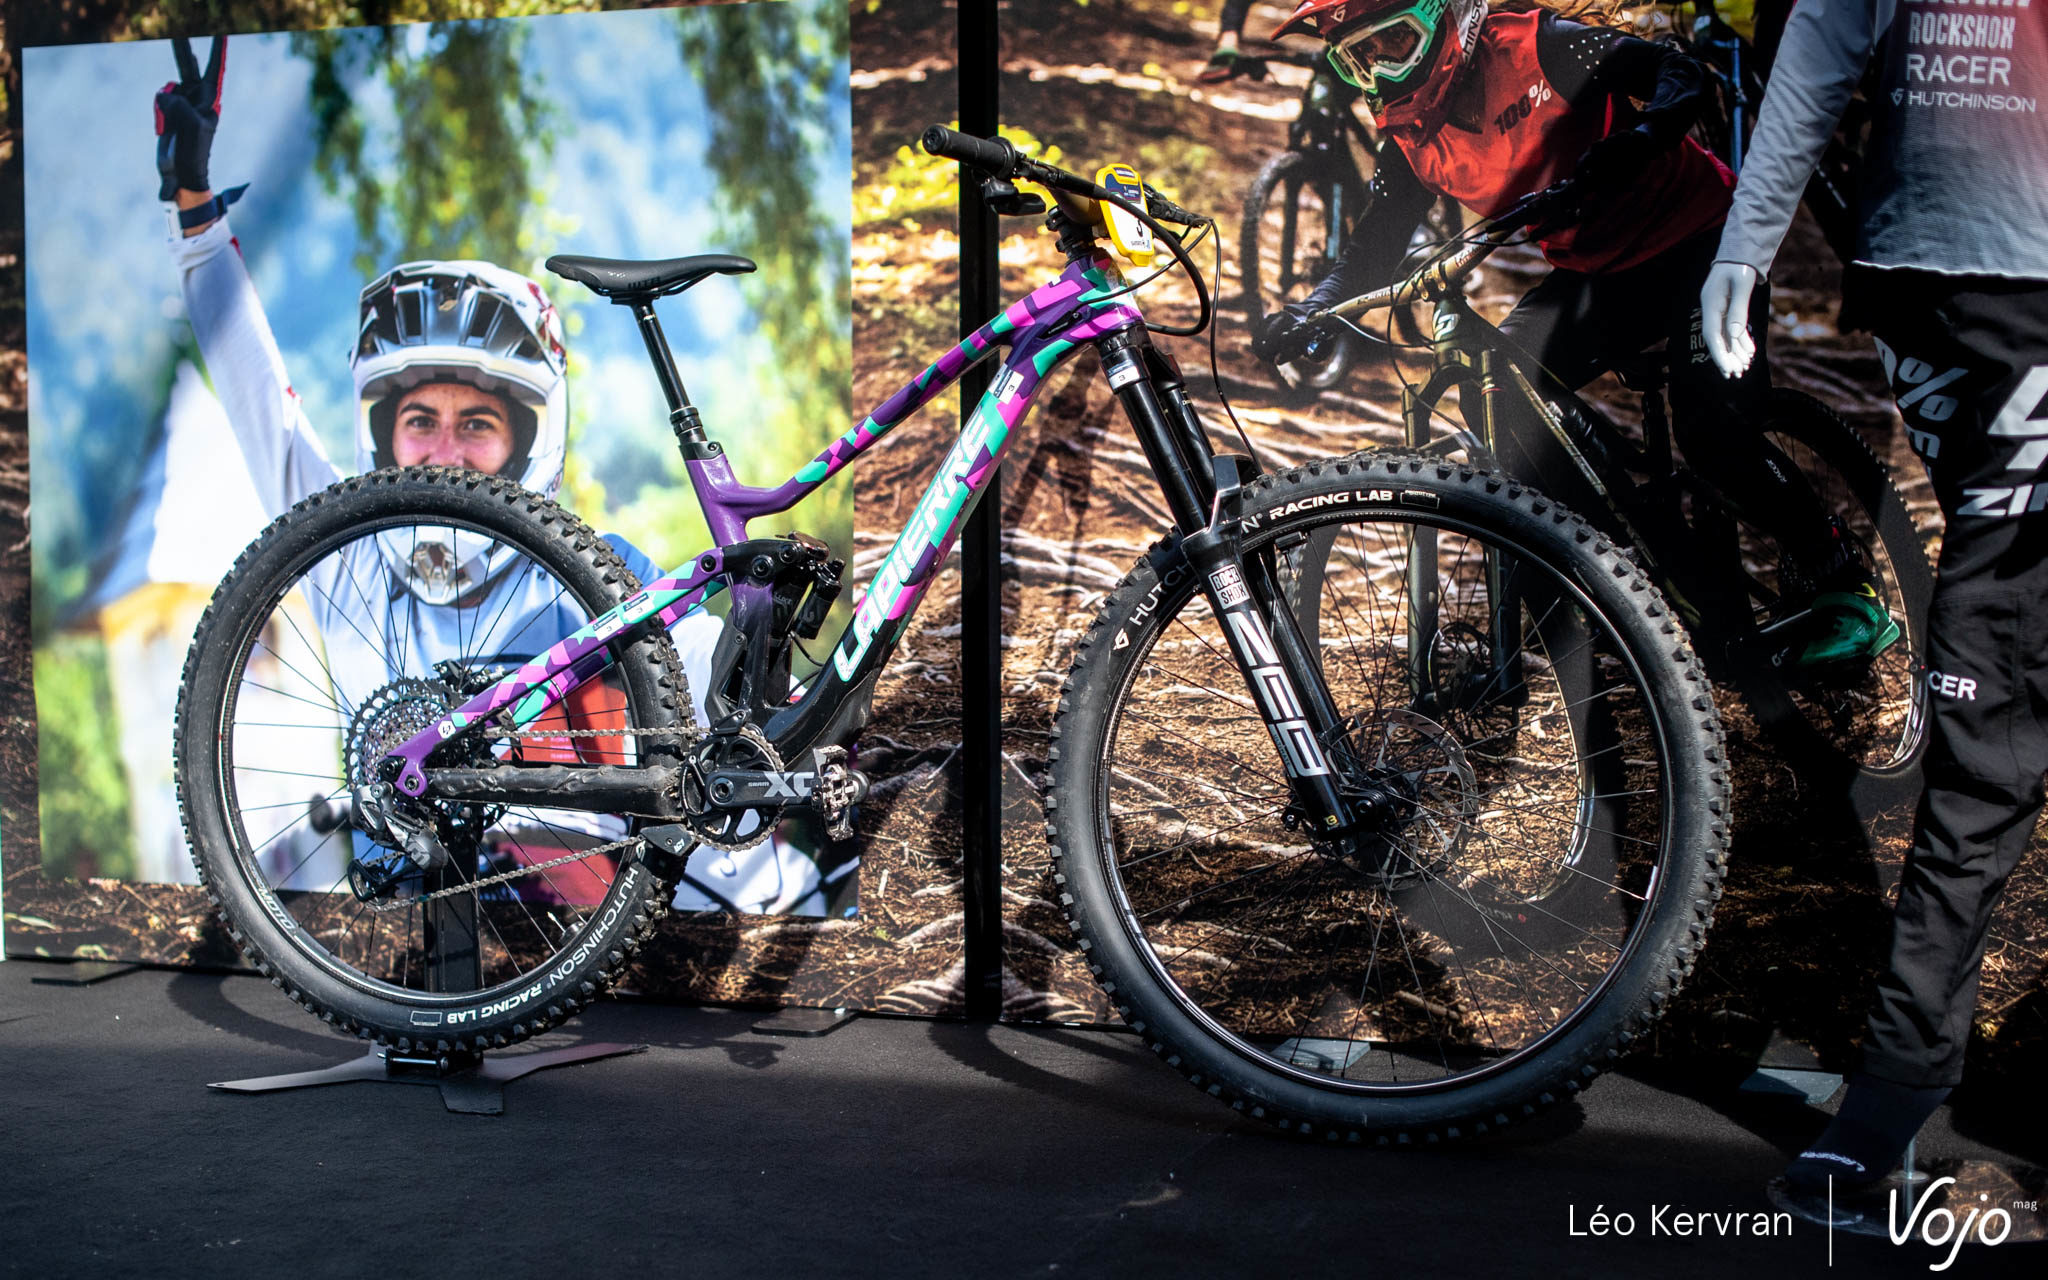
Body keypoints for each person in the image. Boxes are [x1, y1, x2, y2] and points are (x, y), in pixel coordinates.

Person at [154, 36, 845, 916]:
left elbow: (728, 702)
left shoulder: (599, 567)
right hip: (414, 917)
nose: (444, 450)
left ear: (527, 440)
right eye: (419, 421)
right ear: (382, 438)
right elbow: (260, 400)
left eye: (476, 424)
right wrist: (195, 214)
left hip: (583, 914)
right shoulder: (347, 559)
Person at [1251, 0, 1899, 671]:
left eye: (1392, 43)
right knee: (1497, 392)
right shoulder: (1413, 136)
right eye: (1358, 60)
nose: (1382, 73)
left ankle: (1842, 579)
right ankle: (1622, 566)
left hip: (1704, 245)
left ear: (1444, 18)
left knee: (1712, 428)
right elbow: (1372, 247)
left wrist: (1640, 140)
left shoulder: (1538, 47)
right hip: (1599, 275)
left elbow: (1680, 75)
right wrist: (1311, 309)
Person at [1700, 0, 2048, 1202]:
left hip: (1990, 283)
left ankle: (1895, 1094)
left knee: (1991, 704)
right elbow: (1818, 40)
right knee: (1991, 698)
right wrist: (1745, 243)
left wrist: (1748, 242)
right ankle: (1898, 1092)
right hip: (1932, 284)